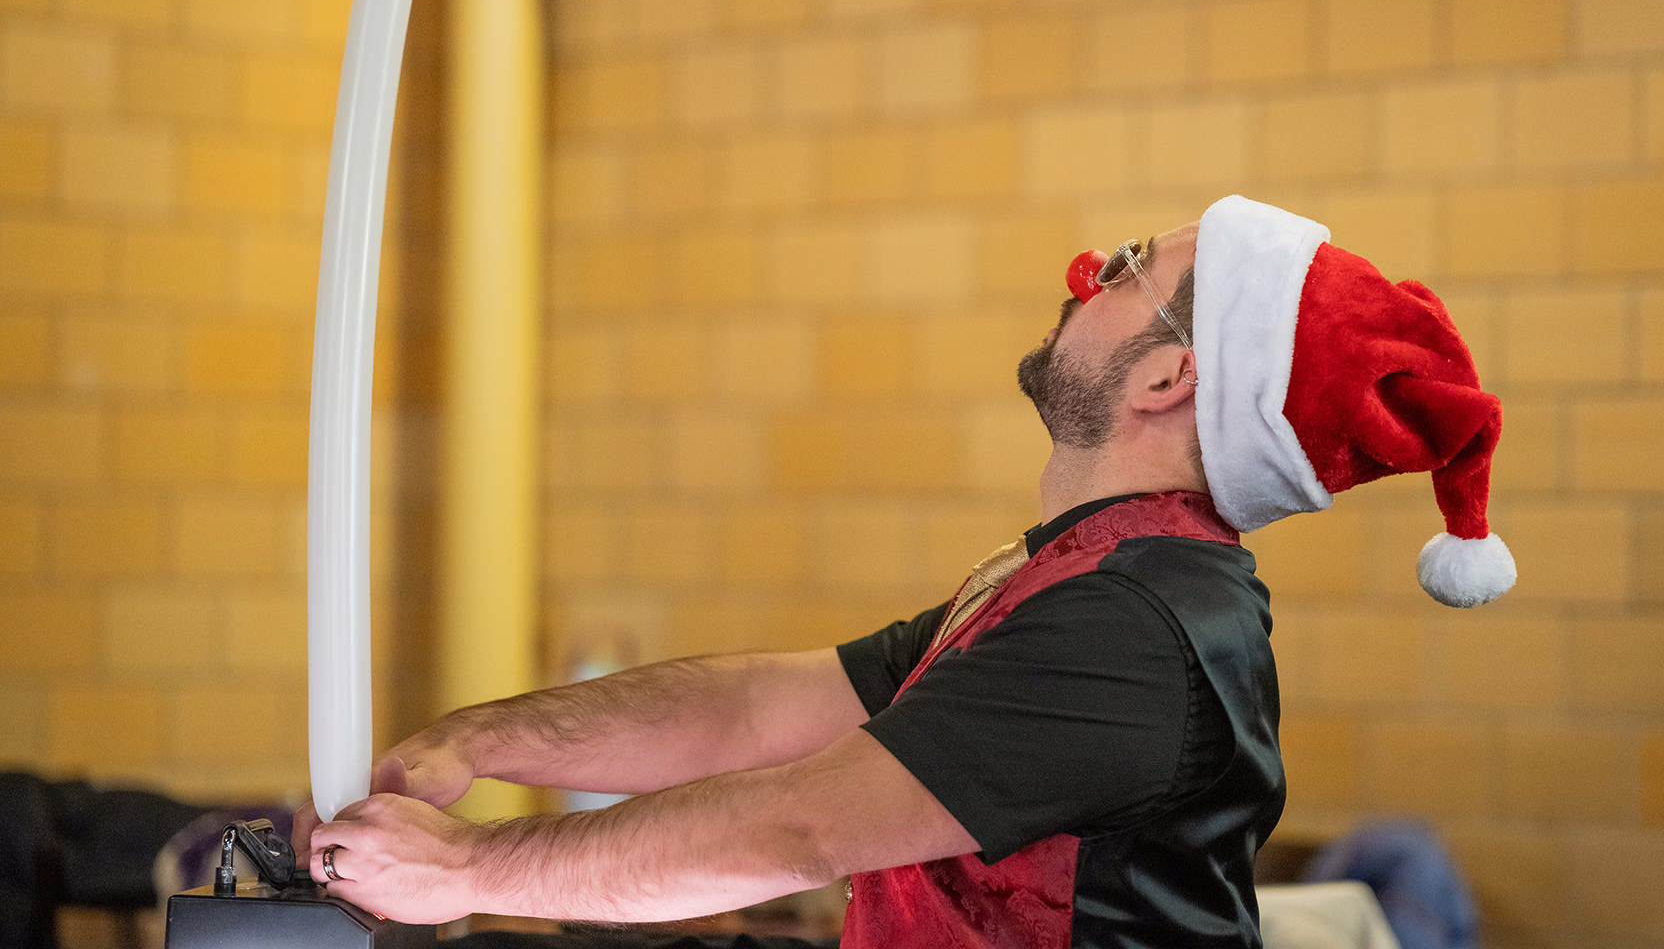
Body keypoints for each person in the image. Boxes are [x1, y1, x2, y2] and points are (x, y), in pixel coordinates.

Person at [295, 195, 1515, 948]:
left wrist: (465, 871)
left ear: (1165, 377)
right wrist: (479, 743)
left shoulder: (1138, 628)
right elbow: (757, 712)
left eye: (1132, 269)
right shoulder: (1080, 582)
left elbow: (797, 823)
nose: (1088, 270)